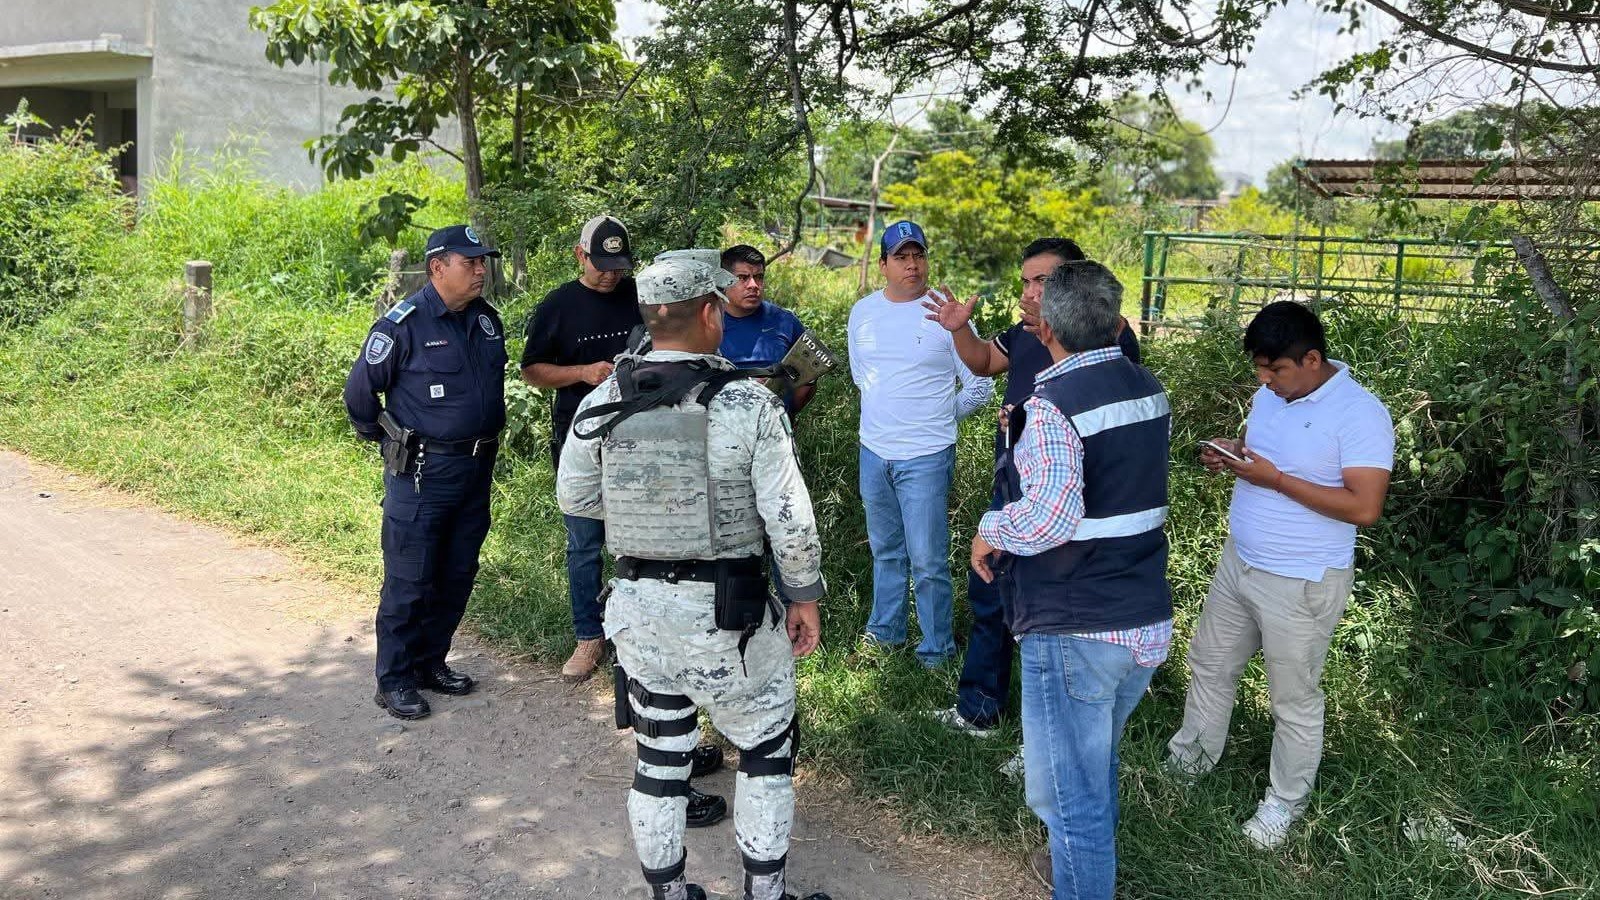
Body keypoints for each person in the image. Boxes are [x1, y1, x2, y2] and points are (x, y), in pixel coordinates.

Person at [557, 254, 830, 900]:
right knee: (765, 750)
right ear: (709, 311)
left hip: (640, 617)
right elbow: (791, 523)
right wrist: (804, 598)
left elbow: (575, 497)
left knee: (658, 759)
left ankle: (670, 891)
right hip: (729, 618)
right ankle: (765, 893)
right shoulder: (746, 405)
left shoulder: (604, 400)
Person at [969, 260, 1173, 900]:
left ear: (1046, 328)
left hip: (1076, 625)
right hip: (1143, 618)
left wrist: (991, 528)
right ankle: (1076, 868)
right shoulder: (1147, 386)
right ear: (1115, 323)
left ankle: (1080, 875)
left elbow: (1052, 516)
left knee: (1065, 796)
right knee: (1093, 768)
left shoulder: (1052, 406)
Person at [1165, 300, 1393, 849]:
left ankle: (1282, 805)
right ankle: (1189, 762)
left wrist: (1274, 480)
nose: (1265, 382)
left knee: (1293, 698)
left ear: (1313, 359)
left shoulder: (1360, 414)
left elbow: (1364, 507)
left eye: (1276, 371)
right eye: (1259, 371)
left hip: (1302, 579)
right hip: (1240, 562)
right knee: (1210, 664)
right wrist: (1236, 454)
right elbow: (1268, 458)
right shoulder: (1271, 396)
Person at [922, 237, 1142, 738]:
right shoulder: (1024, 334)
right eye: (1026, 280)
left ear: (1074, 284)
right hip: (1014, 488)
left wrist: (1027, 419)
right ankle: (980, 709)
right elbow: (981, 362)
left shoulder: (1109, 337)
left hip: (1073, 500)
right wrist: (960, 331)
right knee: (990, 595)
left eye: (1042, 281)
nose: (1029, 291)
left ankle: (1045, 736)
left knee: (1053, 616)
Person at [343, 224, 507, 720]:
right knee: (409, 579)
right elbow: (359, 395)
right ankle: (393, 678)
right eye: (470, 262)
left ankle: (431, 662)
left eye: (483, 262)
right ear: (438, 268)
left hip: (475, 468)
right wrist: (390, 441)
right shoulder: (402, 325)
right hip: (421, 472)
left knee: (456, 572)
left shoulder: (484, 320)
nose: (481, 270)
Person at [847, 220, 993, 667]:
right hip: (874, 451)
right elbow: (862, 377)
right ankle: (885, 633)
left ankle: (936, 651)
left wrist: (936, 416)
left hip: (926, 456)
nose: (912, 265)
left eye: (919, 255)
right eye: (902, 257)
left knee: (929, 560)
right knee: (885, 550)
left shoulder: (944, 314)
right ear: (884, 264)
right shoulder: (863, 312)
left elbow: (979, 386)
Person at [520, 214, 639, 683]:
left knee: (640, 541)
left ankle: (635, 633)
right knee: (585, 543)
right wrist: (582, 373)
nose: (611, 273)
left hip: (638, 441)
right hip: (581, 443)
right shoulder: (558, 306)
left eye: (619, 264)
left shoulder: (640, 297)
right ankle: (589, 636)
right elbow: (532, 370)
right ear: (579, 254)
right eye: (601, 263)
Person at [717, 244, 816, 417]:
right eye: (743, 278)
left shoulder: (785, 321)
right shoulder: (709, 322)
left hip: (775, 424)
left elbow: (808, 380)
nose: (753, 285)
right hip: (723, 425)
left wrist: (786, 414)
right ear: (724, 282)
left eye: (759, 277)